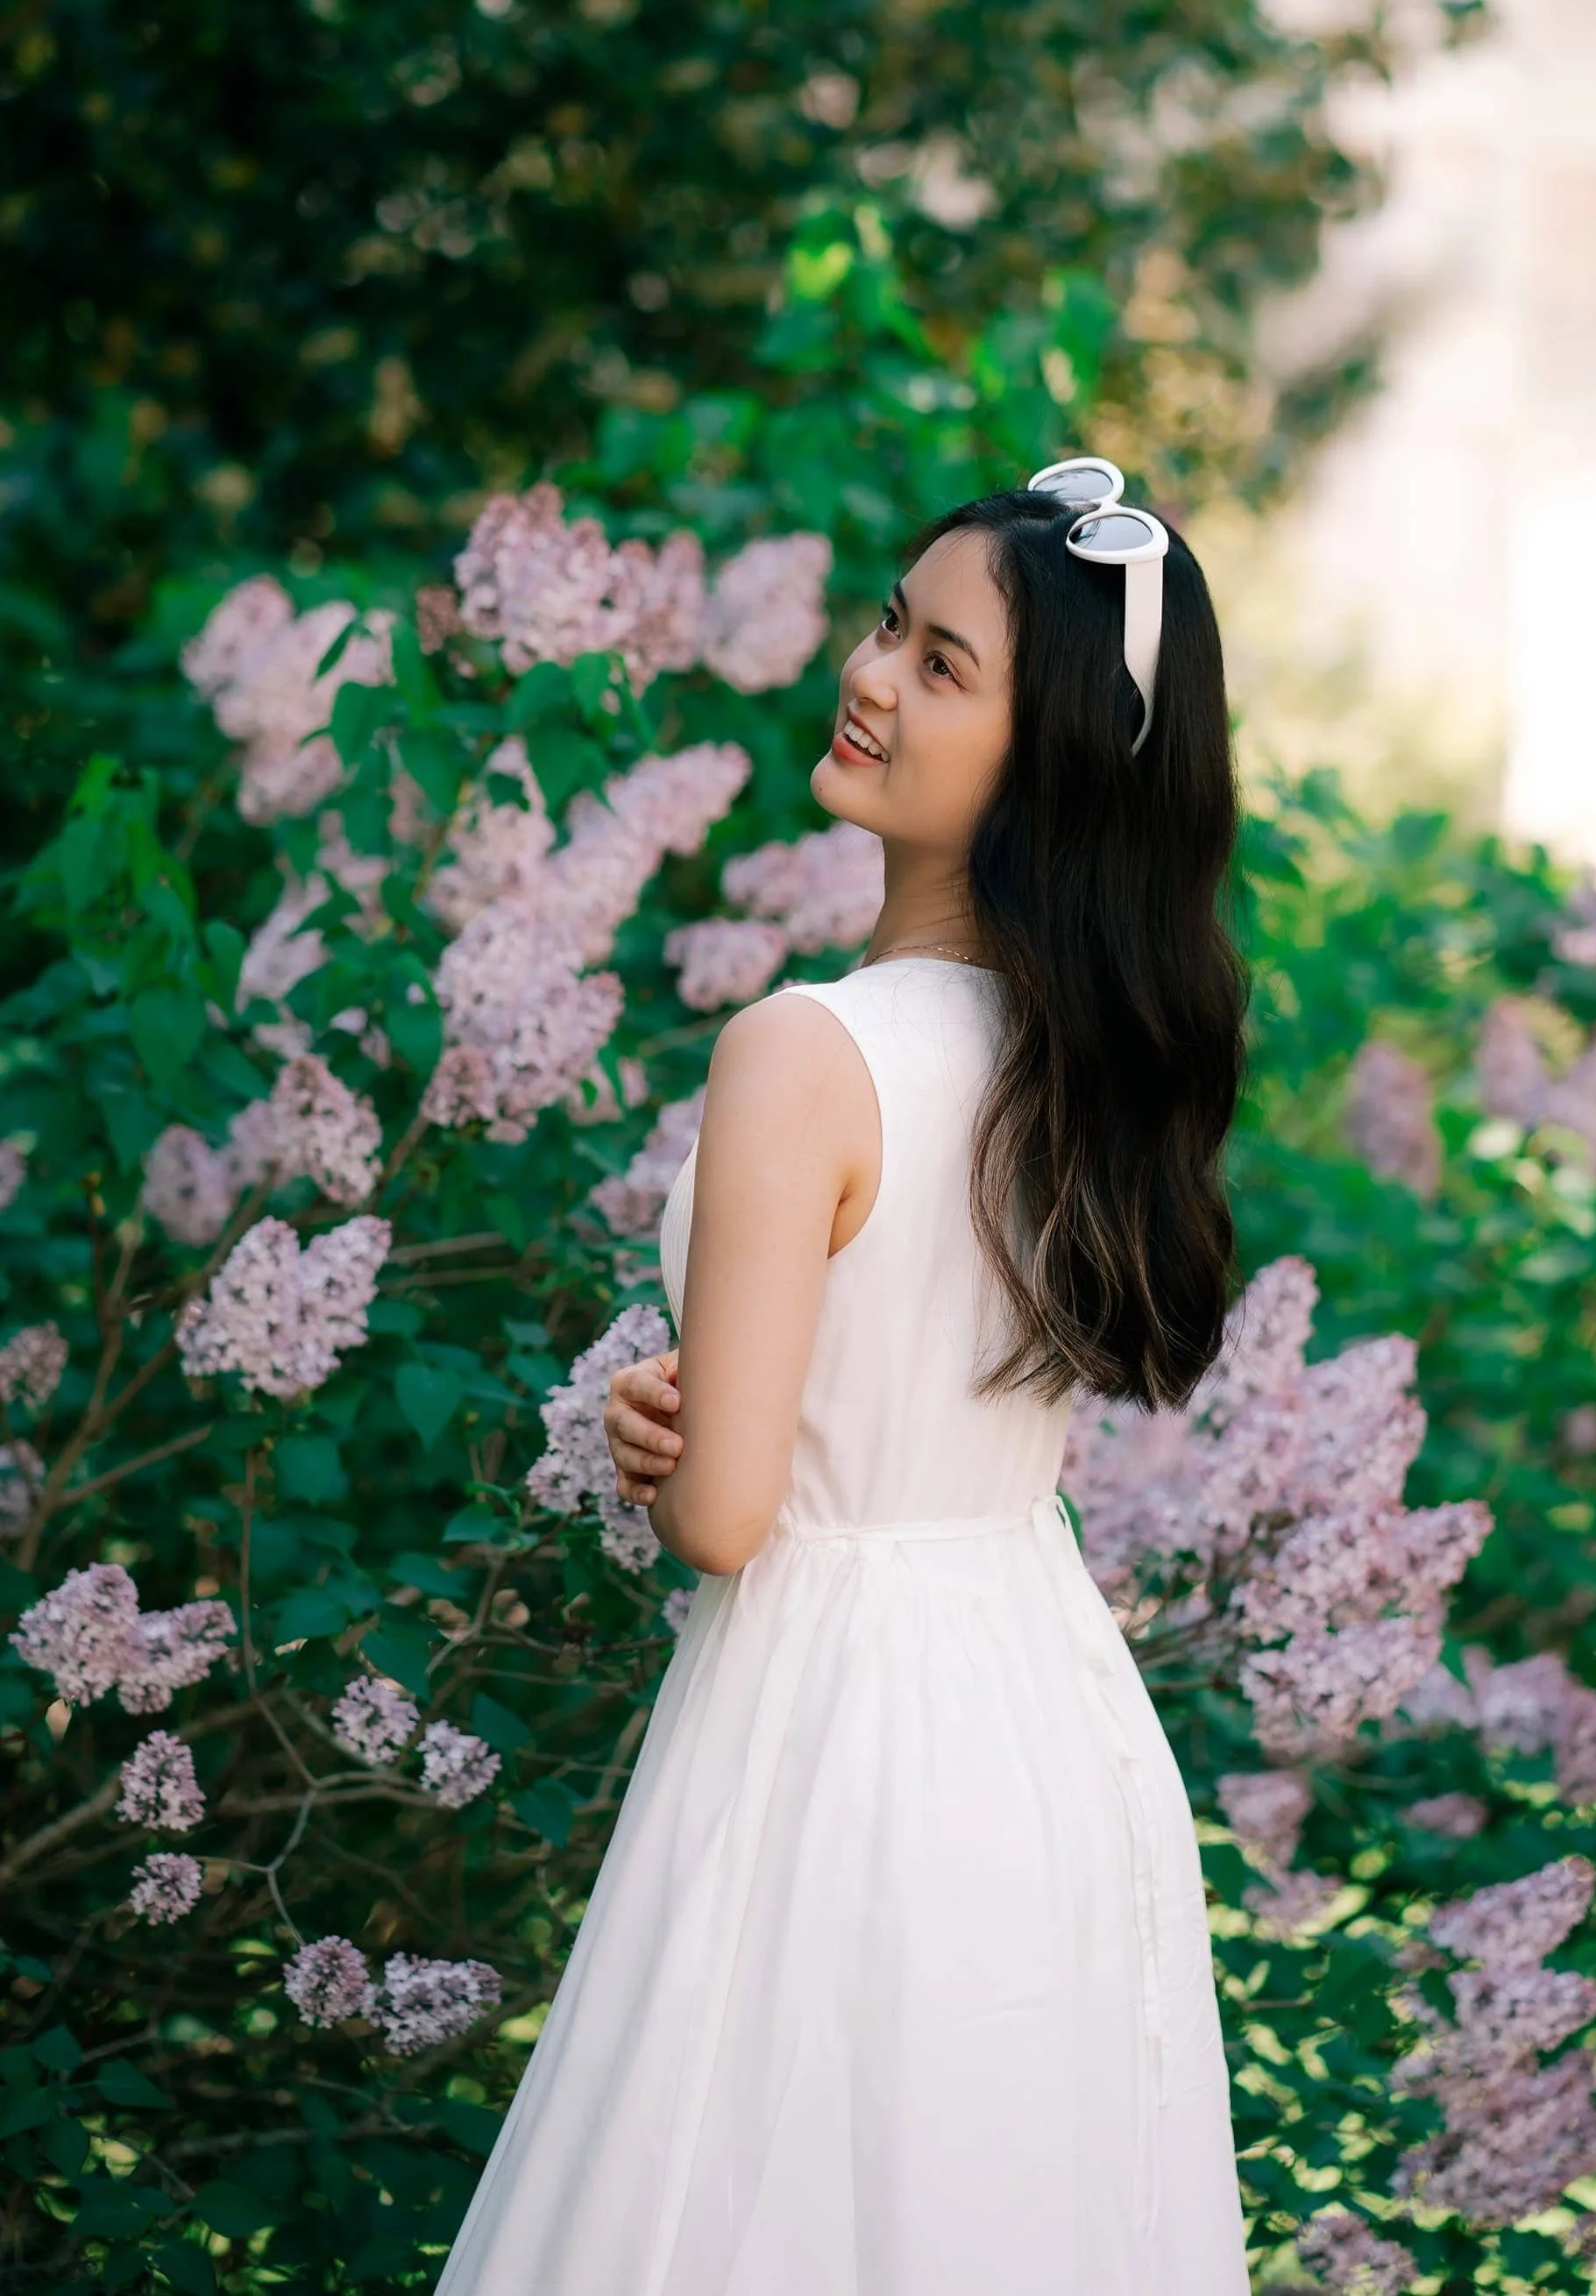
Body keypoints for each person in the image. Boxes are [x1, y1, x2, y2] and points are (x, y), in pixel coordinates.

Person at [436, 462, 1252, 2294]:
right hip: (1043, 1719)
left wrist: (665, 1440)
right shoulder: (1078, 1070)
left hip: (837, 1734)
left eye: (942, 665)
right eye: (892, 625)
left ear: (1048, 763)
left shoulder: (803, 1053)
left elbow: (728, 1518)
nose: (870, 675)